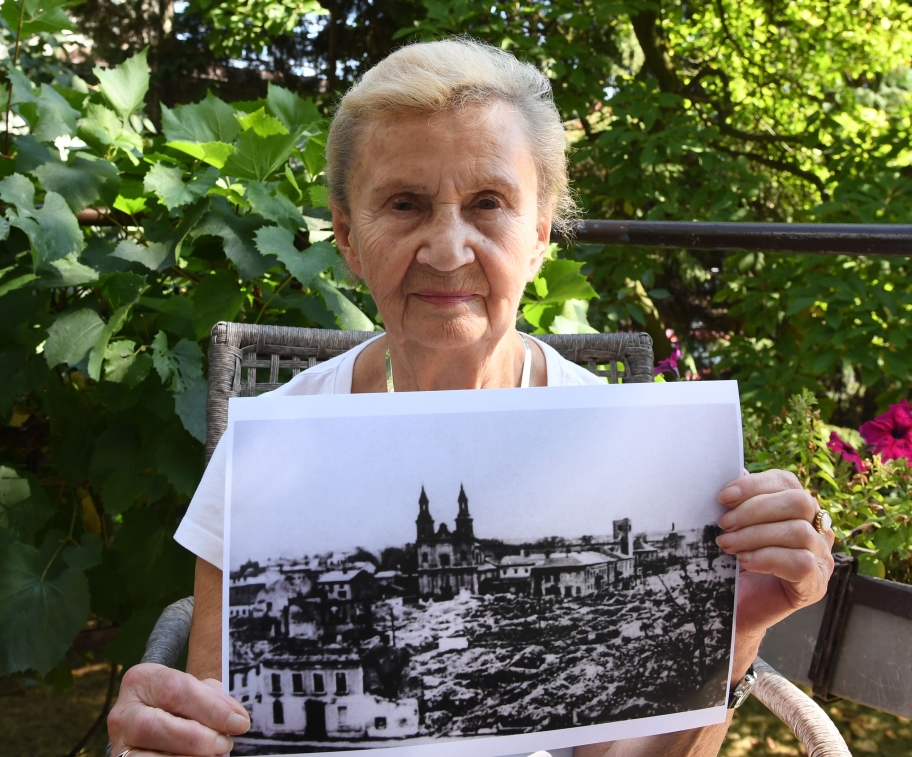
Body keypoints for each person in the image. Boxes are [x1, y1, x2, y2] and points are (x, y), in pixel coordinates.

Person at [106, 38, 834, 757]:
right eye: (404, 204)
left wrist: (734, 632)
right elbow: (223, 727)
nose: (448, 250)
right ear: (348, 236)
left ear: (540, 232)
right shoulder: (265, 452)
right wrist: (165, 740)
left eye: (488, 202)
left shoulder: (632, 458)